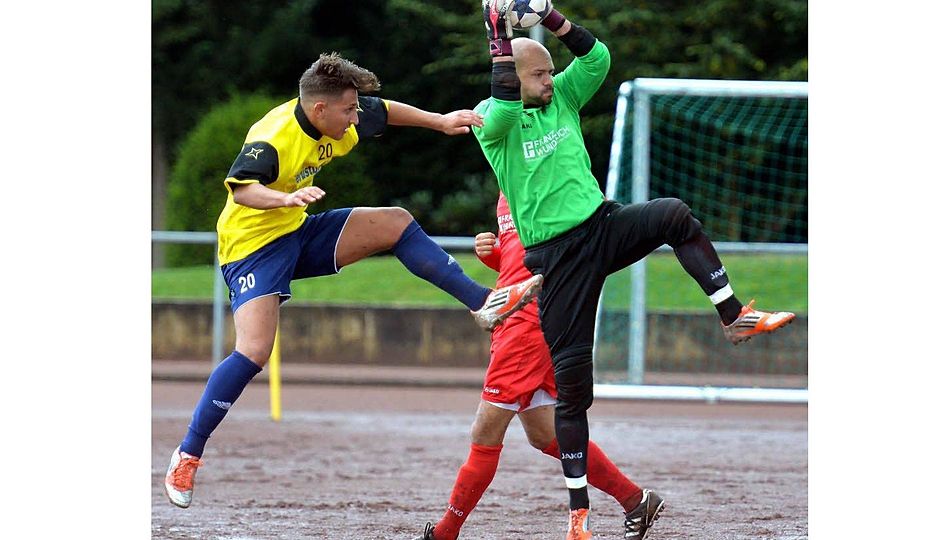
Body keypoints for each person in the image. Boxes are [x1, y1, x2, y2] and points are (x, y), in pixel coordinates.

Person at [163, 52, 544, 509]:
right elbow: (243, 189)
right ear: (319, 109)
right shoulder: (272, 137)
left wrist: (440, 122)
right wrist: (285, 198)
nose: (354, 117)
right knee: (254, 351)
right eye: (347, 110)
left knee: (395, 223)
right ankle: (187, 454)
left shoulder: (340, 117)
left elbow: (385, 110)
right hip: (252, 248)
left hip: (296, 232)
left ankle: (482, 303)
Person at [475, 2, 796, 538]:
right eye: (540, 74)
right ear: (514, 74)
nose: (551, 81)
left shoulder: (563, 96)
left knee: (673, 214)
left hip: (602, 226)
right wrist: (500, 39)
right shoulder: (494, 118)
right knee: (574, 395)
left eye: (552, 72)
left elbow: (597, 56)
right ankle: (580, 514)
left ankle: (734, 316)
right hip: (557, 263)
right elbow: (507, 101)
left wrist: (551, 18)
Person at [416, 193, 658, 540]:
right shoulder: (507, 182)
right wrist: (495, 255)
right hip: (518, 321)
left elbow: (578, 249)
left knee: (485, 433)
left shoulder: (547, 171)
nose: (483, 136)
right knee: (544, 434)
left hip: (526, 328)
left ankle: (444, 534)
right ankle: (636, 500)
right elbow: (529, 260)